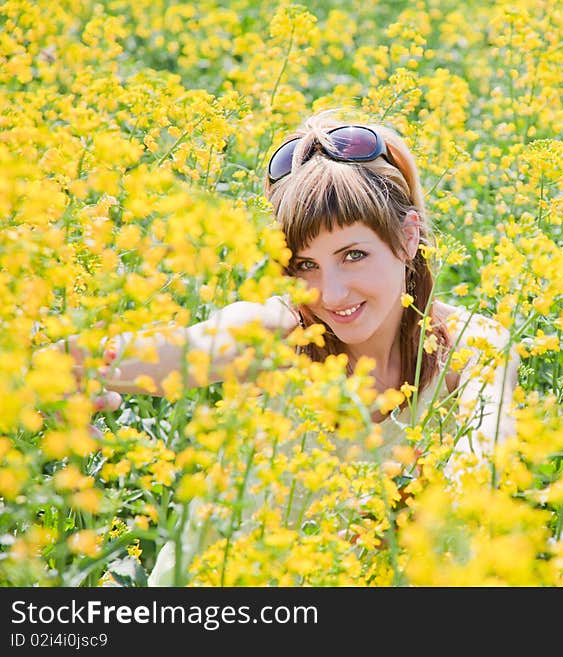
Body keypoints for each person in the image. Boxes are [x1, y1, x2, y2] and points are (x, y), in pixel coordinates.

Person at [61, 110, 520, 584]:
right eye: (305, 265)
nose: (332, 293)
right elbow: (178, 352)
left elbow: (488, 463)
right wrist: (65, 370)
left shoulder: (469, 348)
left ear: (406, 238)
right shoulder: (275, 334)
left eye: (353, 255)